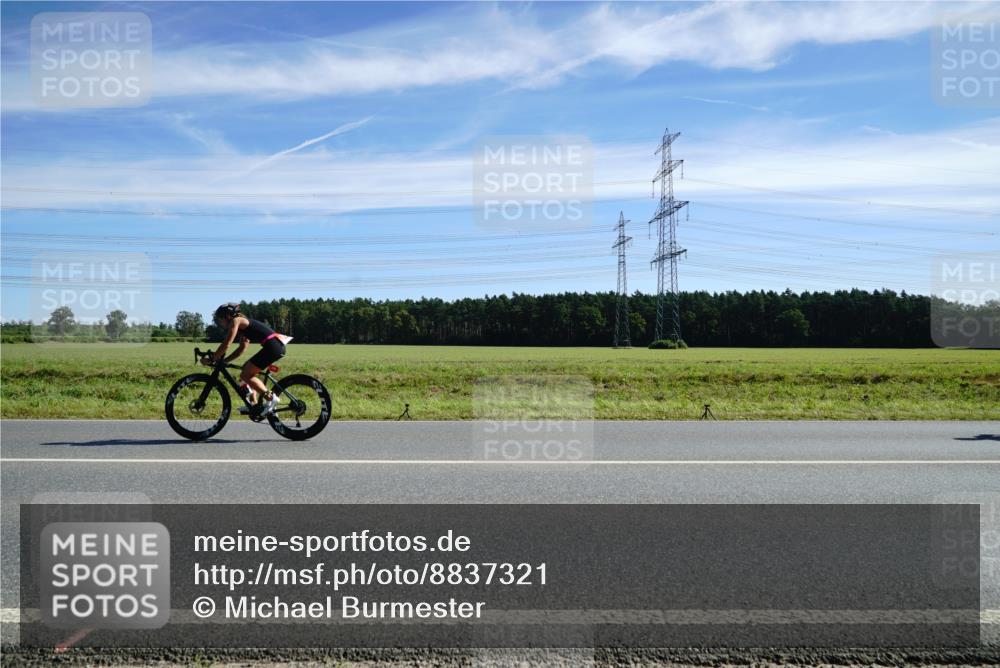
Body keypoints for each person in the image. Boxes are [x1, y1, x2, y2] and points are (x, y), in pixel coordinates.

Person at [206, 303, 288, 414]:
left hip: (273, 347)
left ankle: (271, 398)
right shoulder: (243, 324)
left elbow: (227, 343)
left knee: (246, 375)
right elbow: (242, 348)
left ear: (228, 316)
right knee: (245, 371)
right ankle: (253, 406)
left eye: (220, 319)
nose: (220, 322)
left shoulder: (237, 321)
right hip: (275, 346)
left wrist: (213, 358)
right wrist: (224, 361)